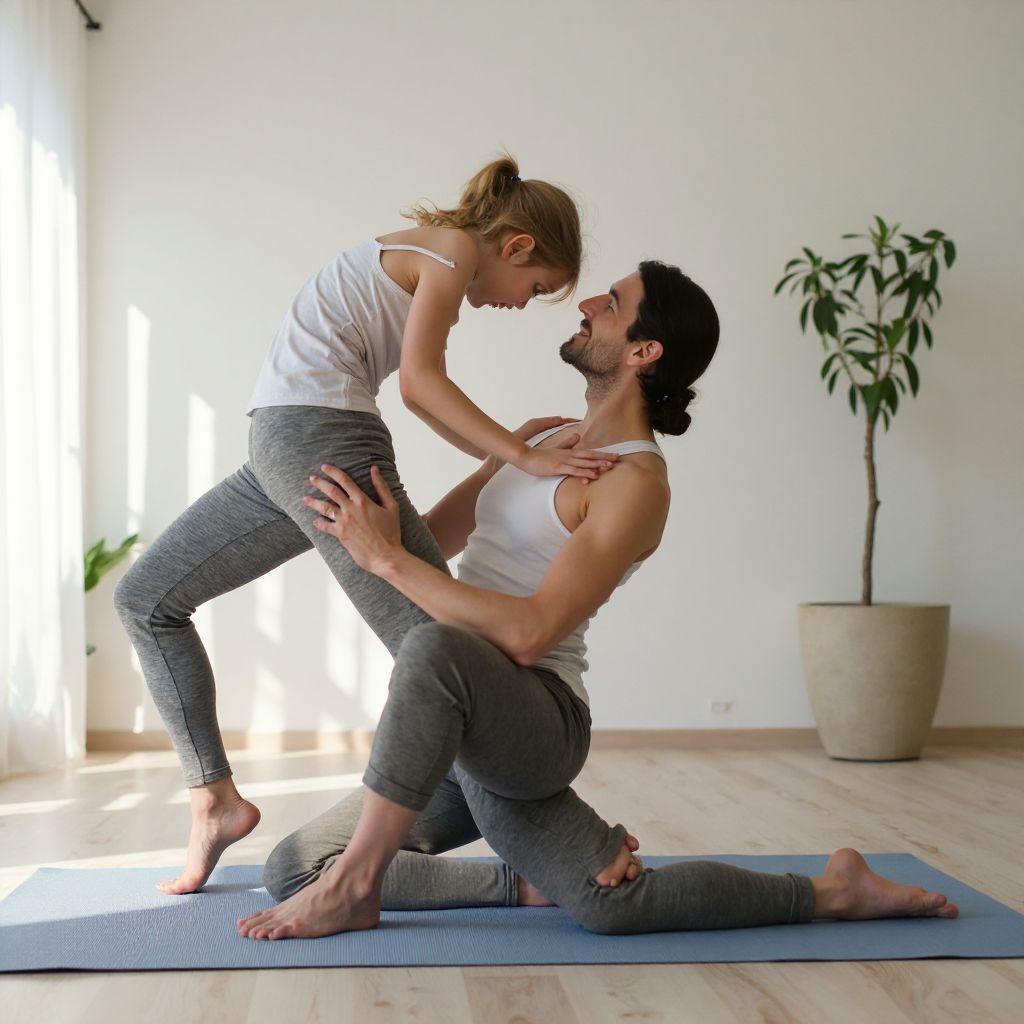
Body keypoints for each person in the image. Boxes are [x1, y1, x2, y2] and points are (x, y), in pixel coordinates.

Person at [236, 260, 958, 940]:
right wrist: (390, 516)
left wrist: (387, 560)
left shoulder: (635, 486)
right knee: (293, 867)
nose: (585, 305)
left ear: (645, 351)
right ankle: (526, 885)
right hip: (455, 713)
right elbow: (432, 541)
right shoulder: (543, 439)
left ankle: (830, 894)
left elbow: (529, 633)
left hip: (534, 720)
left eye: (608, 304)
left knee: (436, 649)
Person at [114, 155, 619, 896]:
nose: (522, 302)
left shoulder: (429, 247)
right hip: (315, 441)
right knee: (154, 603)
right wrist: (517, 455)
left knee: (445, 663)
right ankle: (214, 799)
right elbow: (420, 384)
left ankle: (555, 841)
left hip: (292, 439)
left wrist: (496, 467)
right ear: (514, 247)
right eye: (535, 288)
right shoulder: (449, 250)